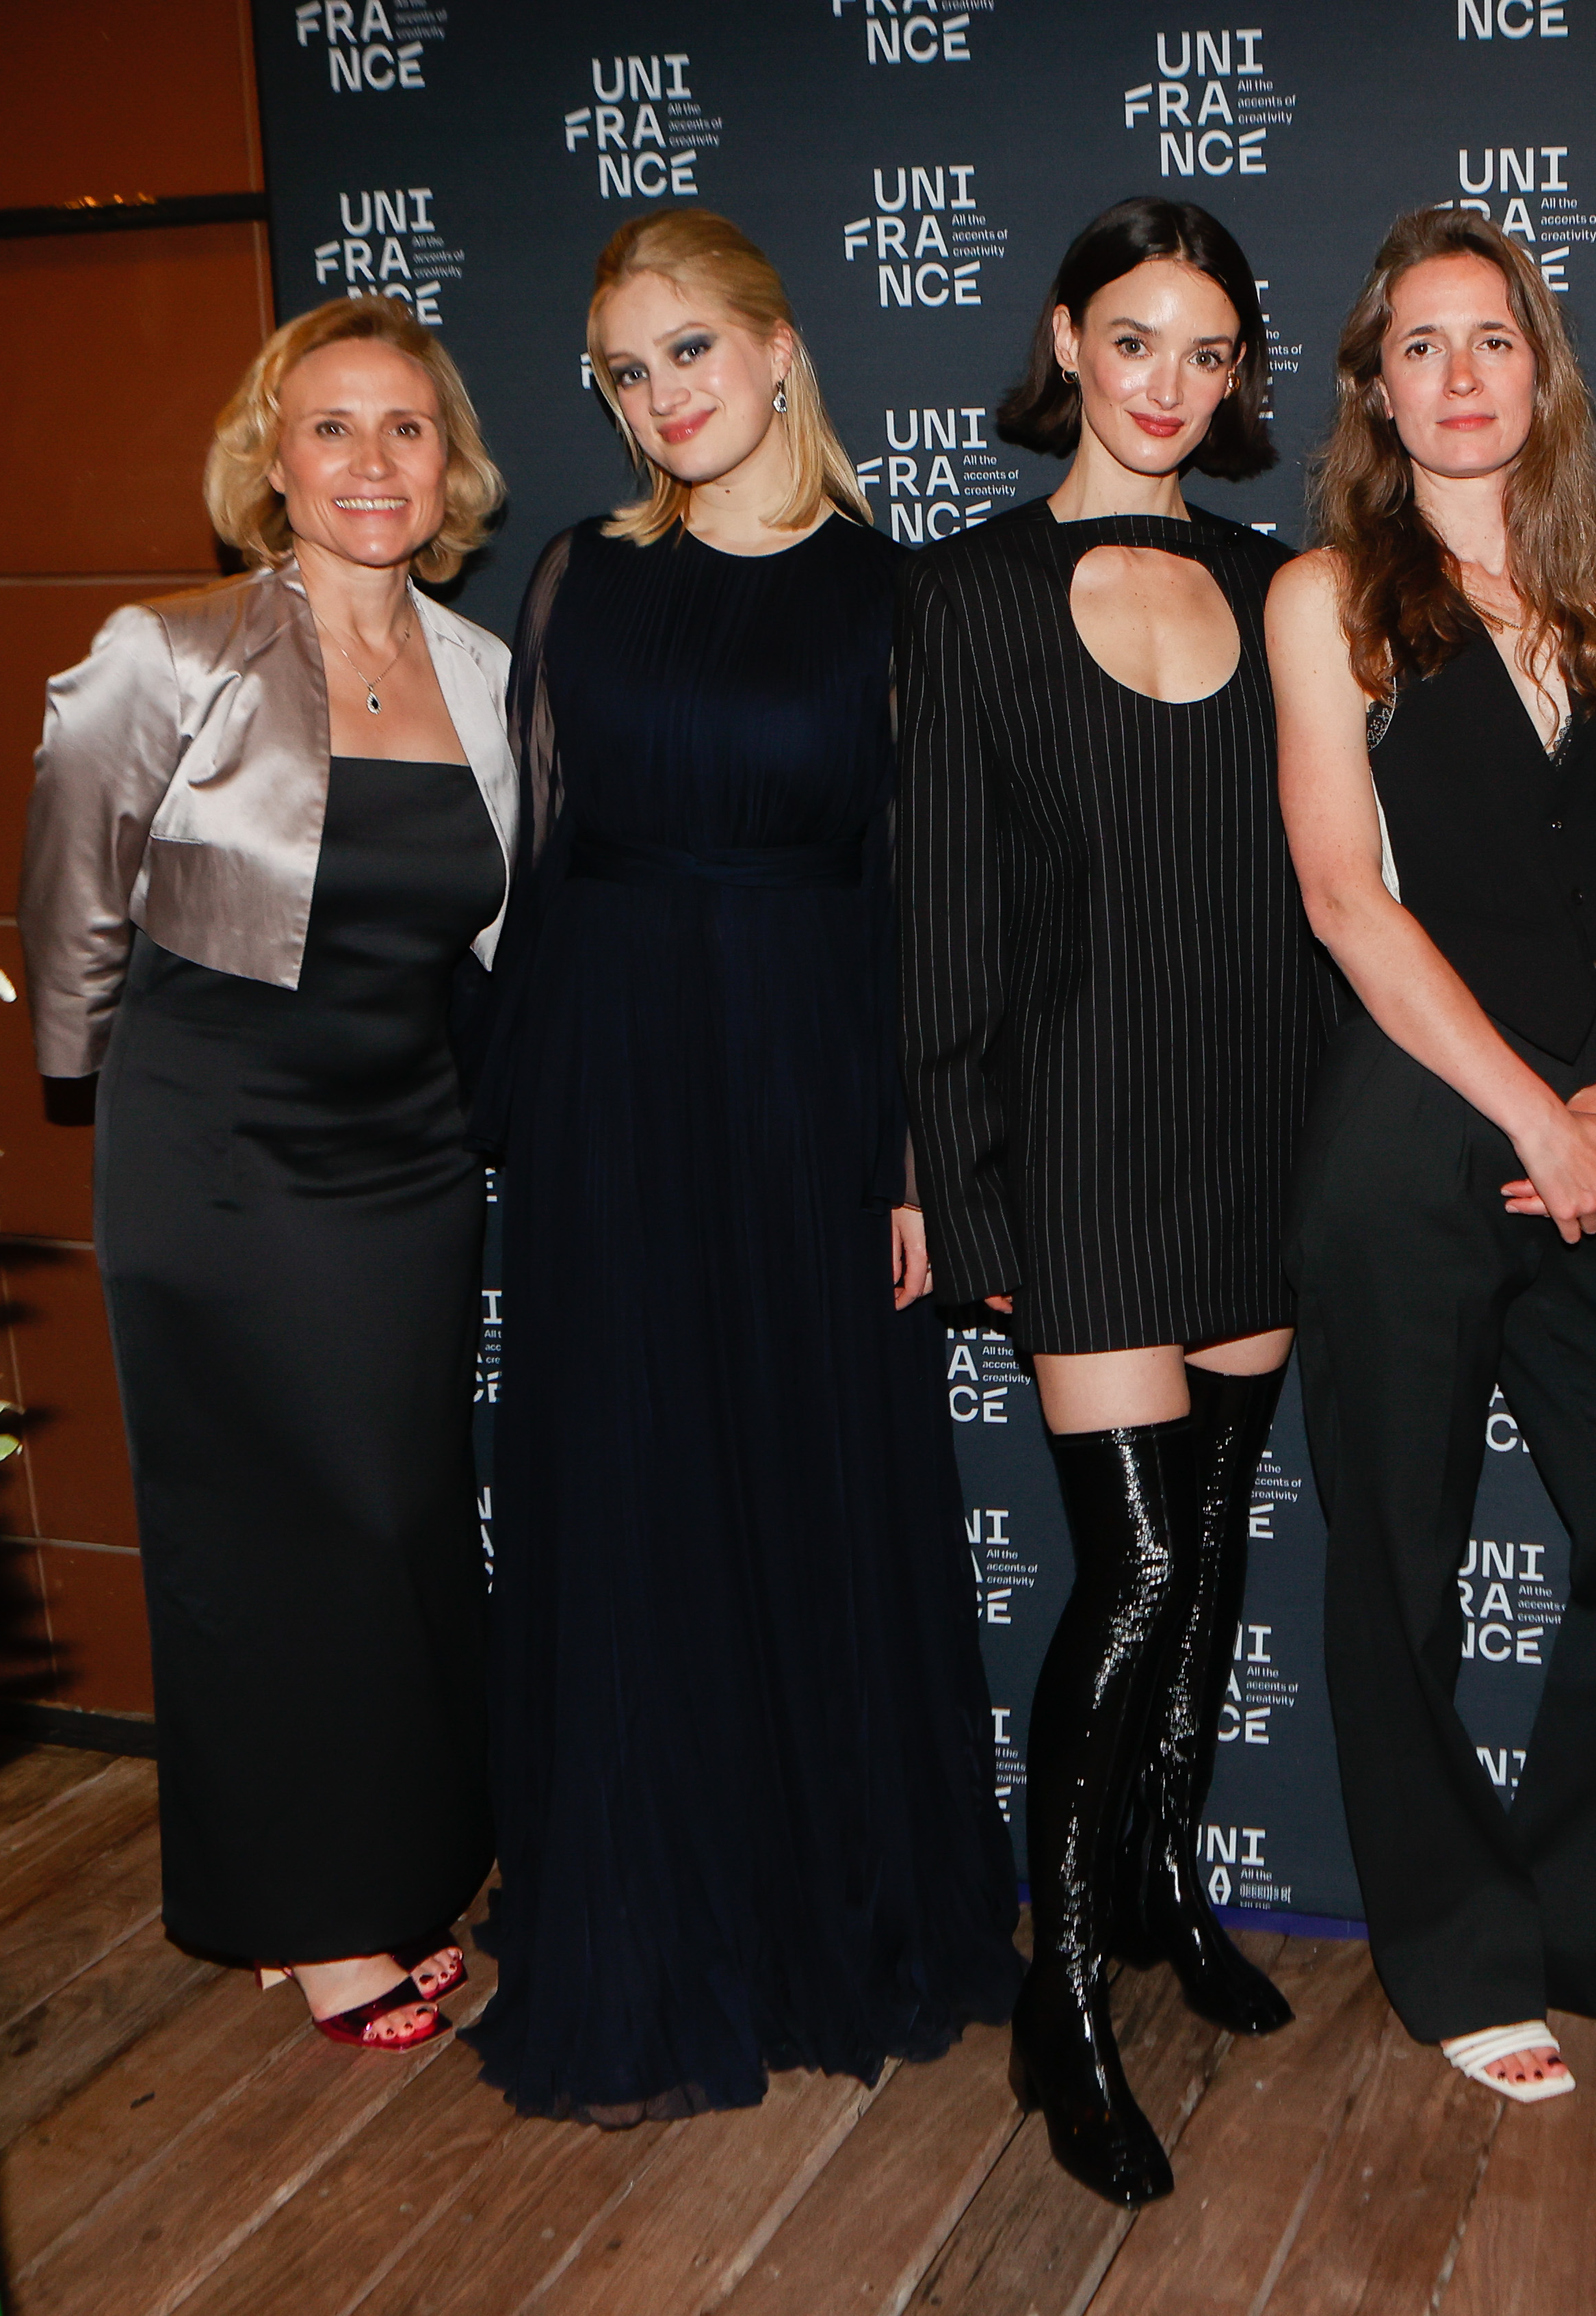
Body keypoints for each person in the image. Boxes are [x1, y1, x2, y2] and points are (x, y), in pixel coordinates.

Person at [464, 208, 1021, 2124]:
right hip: (613, 1092)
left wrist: (918, 1160)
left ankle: (818, 1914)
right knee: (626, 1503)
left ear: (779, 350)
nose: (661, 396)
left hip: (805, 1083)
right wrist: (524, 1115)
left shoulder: (901, 598)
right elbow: (539, 872)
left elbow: (924, 902)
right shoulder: (578, 580)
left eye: (689, 350)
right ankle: (637, 1931)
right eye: (625, 370)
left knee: (800, 1484)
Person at [1273, 208, 1596, 2113]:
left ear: (1536, 372)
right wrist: (1528, 1112)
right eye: (1421, 347)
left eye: (1493, 341)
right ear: (1374, 387)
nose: (1460, 376)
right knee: (1398, 1562)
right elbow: (1341, 898)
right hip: (1411, 1128)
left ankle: (1565, 1910)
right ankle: (1453, 1957)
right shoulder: (1324, 603)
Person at [897, 196, 1329, 2206]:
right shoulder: (971, 594)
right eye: (1135, 338)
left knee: (1222, 1551)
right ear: (1066, 339)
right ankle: (1054, 1988)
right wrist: (960, 1193)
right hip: (1074, 1136)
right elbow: (946, 926)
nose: (1169, 383)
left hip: (1256, 1123)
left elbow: (1329, 893)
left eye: (1210, 351)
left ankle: (1158, 1876)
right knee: (1137, 1573)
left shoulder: (1286, 586)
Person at [22, 296, 514, 2051]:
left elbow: (495, 937)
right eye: (332, 427)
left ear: (448, 464)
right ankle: (309, 1914)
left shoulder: (488, 674)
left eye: (406, 429)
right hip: (217, 1144)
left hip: (408, 1147)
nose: (371, 463)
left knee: (395, 1521)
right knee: (263, 1534)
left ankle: (410, 1848)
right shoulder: (165, 651)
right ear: (270, 457)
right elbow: (74, 899)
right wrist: (108, 1119)